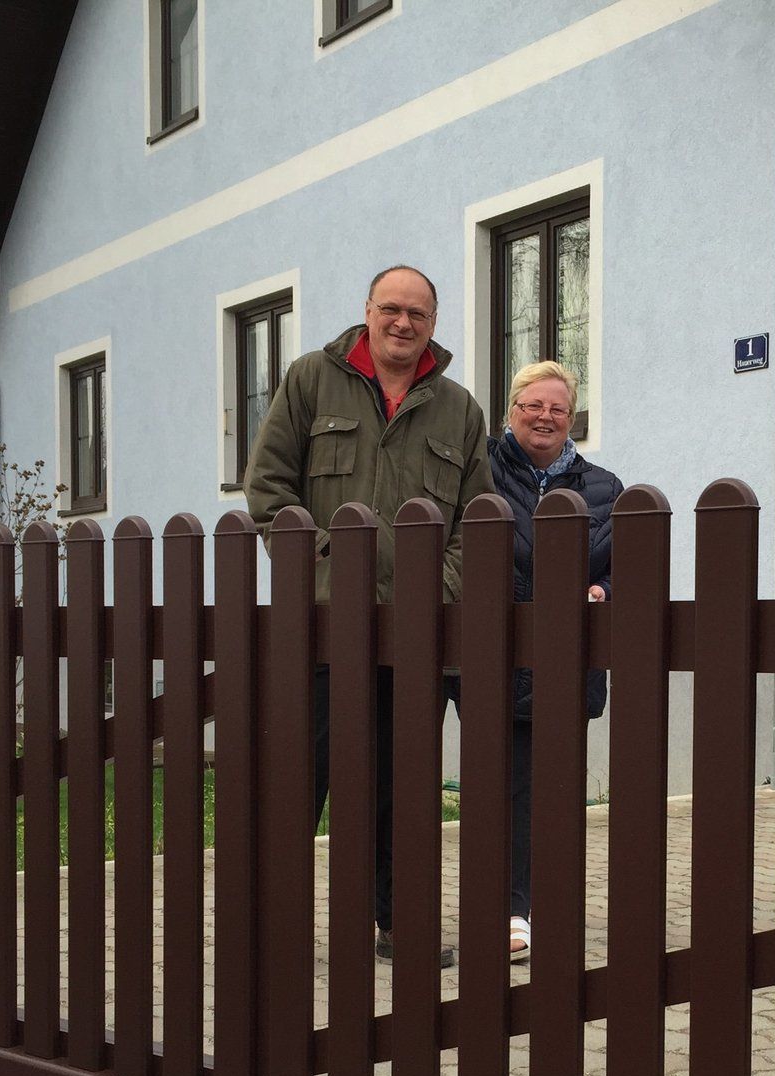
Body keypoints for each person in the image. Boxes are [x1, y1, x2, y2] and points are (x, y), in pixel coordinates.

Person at [244, 264, 490, 965]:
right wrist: (330, 570)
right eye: (392, 309)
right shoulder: (309, 382)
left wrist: (434, 595)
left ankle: (397, 922)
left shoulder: (459, 409)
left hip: (416, 638)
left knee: (403, 788)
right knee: (301, 777)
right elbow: (268, 493)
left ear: (433, 325)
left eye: (418, 314)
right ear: (367, 311)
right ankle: (275, 922)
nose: (403, 324)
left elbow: (478, 520)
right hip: (321, 630)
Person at [486, 360, 622, 958]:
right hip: (495, 659)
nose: (545, 417)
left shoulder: (604, 488)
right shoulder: (481, 472)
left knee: (554, 790)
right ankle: (512, 909)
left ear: (572, 418)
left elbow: (626, 563)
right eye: (532, 406)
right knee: (509, 787)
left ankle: (541, 903)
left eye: (558, 409)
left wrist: (605, 592)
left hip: (570, 662)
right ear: (511, 411)